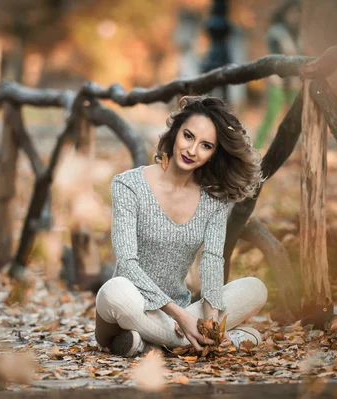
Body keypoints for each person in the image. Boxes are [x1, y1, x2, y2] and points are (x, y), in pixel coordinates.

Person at [95, 96, 268, 357]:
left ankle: (149, 343)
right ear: (175, 132)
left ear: (213, 154)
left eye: (206, 146)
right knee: (114, 292)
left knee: (256, 288)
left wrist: (210, 322)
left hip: (181, 313)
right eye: (188, 136)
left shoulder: (214, 200)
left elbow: (211, 262)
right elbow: (128, 263)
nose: (192, 150)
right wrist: (182, 318)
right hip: (131, 307)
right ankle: (210, 340)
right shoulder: (128, 185)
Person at [254, 0, 302, 149]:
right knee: (272, 115)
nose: (296, 16)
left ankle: (294, 150)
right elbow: (287, 53)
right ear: (285, 13)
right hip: (277, 80)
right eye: (293, 12)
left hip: (293, 80)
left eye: (298, 13)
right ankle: (256, 147)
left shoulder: (297, 32)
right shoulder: (277, 31)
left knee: (297, 117)